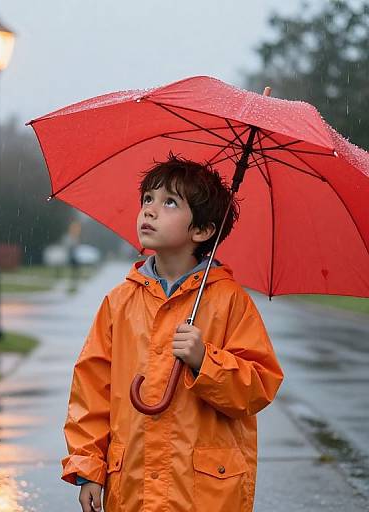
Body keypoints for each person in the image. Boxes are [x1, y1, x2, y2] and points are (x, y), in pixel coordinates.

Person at [61, 154, 284, 512]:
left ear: (202, 230)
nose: (149, 210)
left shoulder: (229, 302)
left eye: (169, 202)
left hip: (201, 493)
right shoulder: (120, 302)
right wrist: (89, 469)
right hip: (132, 487)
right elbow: (91, 390)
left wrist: (204, 361)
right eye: (147, 198)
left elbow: (258, 386)